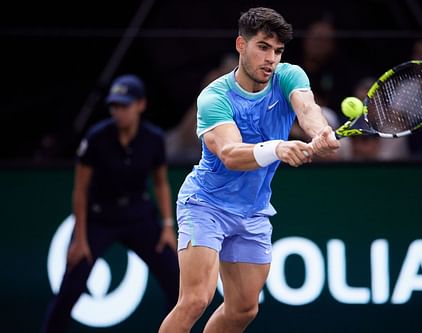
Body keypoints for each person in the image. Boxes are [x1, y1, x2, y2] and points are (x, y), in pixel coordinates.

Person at [158, 7, 339, 333]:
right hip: (206, 204)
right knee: (196, 300)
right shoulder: (214, 97)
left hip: (252, 210)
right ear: (241, 45)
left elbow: (307, 108)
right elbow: (230, 153)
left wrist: (320, 131)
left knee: (243, 308)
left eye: (278, 50)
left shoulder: (288, 77)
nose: (271, 58)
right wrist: (278, 148)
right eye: (263, 47)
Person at [42, 74, 180, 332]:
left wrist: (167, 226)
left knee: (176, 280)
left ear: (141, 105)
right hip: (99, 218)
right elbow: (80, 190)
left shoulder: (153, 138)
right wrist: (80, 238)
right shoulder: (96, 137)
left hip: (139, 216)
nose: (119, 112)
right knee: (71, 284)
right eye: (114, 106)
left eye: (125, 105)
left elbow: (161, 182)